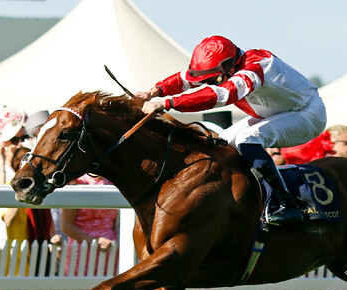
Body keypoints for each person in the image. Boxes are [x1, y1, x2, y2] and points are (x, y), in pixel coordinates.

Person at [136, 35, 326, 224]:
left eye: (213, 80)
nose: (209, 83)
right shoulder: (223, 65)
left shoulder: (256, 66)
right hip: (274, 114)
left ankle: (286, 203)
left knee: (246, 139)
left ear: (229, 66)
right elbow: (183, 79)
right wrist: (153, 91)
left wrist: (168, 103)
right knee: (220, 145)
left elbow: (222, 94)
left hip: (307, 113)